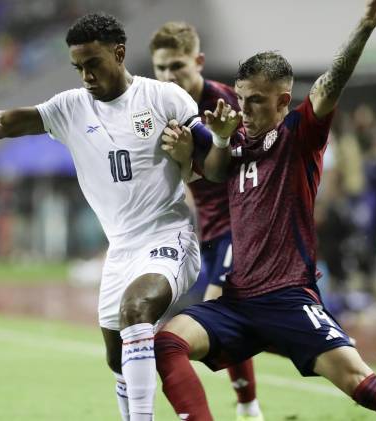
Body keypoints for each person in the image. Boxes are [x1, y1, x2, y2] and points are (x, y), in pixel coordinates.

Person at [0, 13, 205, 420]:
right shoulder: (69, 108)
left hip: (169, 234)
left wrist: (201, 149)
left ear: (119, 53)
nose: (85, 75)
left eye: (93, 64)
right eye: (78, 68)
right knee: (118, 358)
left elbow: (212, 162)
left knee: (137, 311)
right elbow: (0, 121)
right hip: (121, 249)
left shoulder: (164, 99)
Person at [155, 1, 376, 419]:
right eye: (240, 98)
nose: (243, 110)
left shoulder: (300, 134)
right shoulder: (234, 142)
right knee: (168, 342)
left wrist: (364, 25)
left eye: (254, 101)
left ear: (282, 100)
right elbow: (213, 176)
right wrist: (216, 140)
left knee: (364, 386)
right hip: (238, 301)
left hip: (288, 298)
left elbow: (332, 82)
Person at [149, 21, 262, 421]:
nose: (167, 76)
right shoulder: (160, 108)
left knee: (215, 311)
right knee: (233, 316)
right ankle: (250, 400)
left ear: (198, 60)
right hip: (209, 230)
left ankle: (248, 407)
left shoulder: (226, 103)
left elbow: (247, 164)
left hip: (242, 223)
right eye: (160, 67)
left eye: (176, 65)